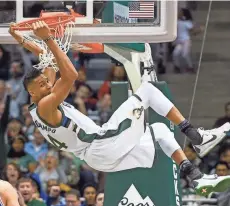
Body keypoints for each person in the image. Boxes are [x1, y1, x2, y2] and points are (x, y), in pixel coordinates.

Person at [9, 21, 230, 196]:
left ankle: (195, 175)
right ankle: (197, 136)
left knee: (161, 131)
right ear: (32, 93)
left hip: (98, 156)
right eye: (43, 84)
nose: (48, 84)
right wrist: (48, 37)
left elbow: (45, 58)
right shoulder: (46, 105)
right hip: (101, 143)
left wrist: (23, 40)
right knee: (147, 91)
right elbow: (71, 75)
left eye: (47, 82)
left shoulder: (40, 99)